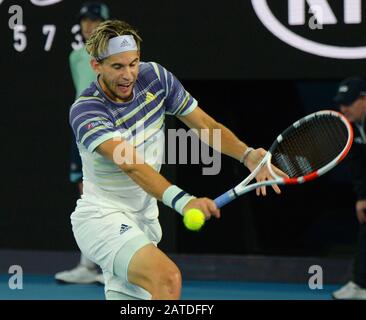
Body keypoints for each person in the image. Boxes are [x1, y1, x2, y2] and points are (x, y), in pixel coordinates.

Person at [69, 19, 284, 300]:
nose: (128, 75)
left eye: (133, 63)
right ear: (96, 66)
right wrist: (184, 201)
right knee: (167, 279)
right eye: (117, 67)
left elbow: (204, 125)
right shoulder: (87, 110)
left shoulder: (156, 78)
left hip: (144, 221)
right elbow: (132, 165)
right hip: (103, 217)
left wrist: (247, 155)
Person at [54, 1, 109, 285]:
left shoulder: (116, 57)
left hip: (110, 134)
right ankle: (88, 265)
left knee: (112, 196)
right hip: (81, 135)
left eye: (94, 20)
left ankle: (114, 265)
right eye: (84, 21)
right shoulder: (76, 56)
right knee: (87, 198)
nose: (88, 26)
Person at [331, 76, 366, 300]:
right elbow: (358, 165)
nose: (343, 109)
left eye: (349, 103)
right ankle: (360, 285)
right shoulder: (353, 127)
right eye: (340, 104)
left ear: (364, 99)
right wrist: (363, 197)